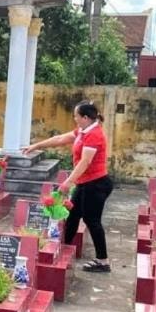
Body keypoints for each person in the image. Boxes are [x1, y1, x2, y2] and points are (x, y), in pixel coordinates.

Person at [23, 100, 114, 272]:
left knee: (92, 220)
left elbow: (85, 162)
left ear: (85, 117)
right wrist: (36, 145)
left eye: (76, 116)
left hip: (96, 184)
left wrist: (67, 182)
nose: (74, 119)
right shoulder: (83, 131)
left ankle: (103, 261)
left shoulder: (94, 134)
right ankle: (63, 249)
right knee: (72, 215)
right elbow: (60, 139)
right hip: (85, 183)